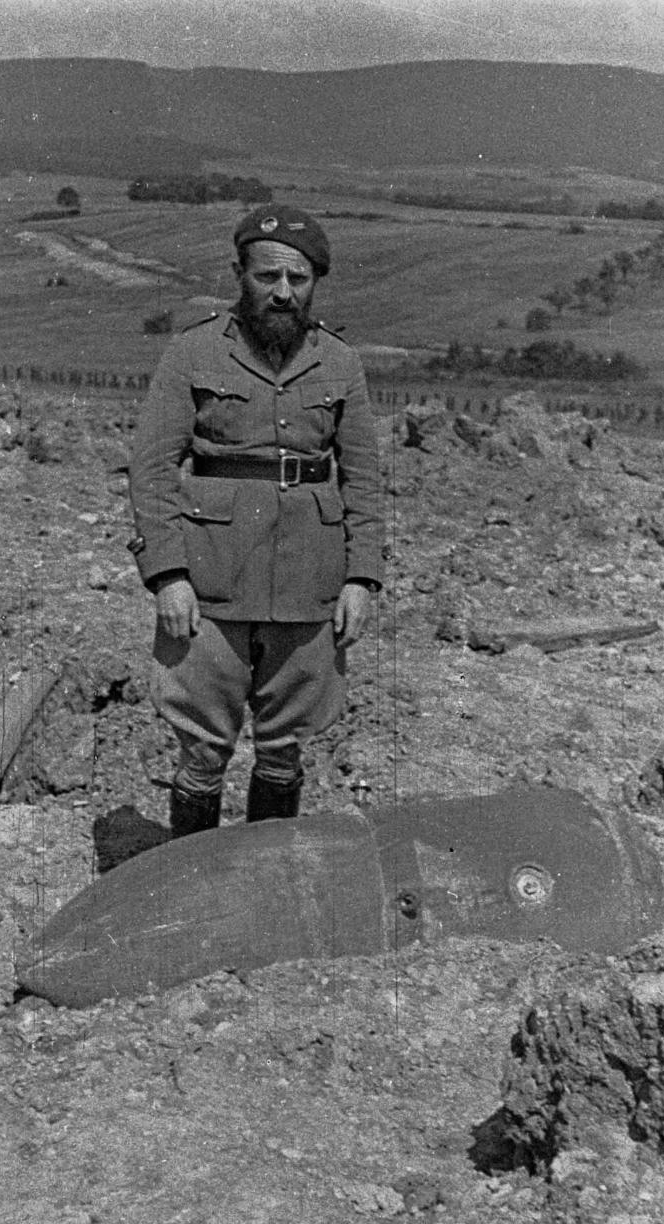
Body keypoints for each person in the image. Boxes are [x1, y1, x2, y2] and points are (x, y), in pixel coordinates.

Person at [127, 204, 384, 837]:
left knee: (286, 745)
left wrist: (361, 578)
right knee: (203, 747)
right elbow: (153, 470)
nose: (283, 293)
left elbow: (366, 480)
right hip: (209, 583)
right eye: (268, 277)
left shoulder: (340, 363)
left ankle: (268, 879)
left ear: (314, 284)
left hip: (309, 582)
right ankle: (191, 881)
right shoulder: (193, 354)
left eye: (298, 281)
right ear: (240, 273)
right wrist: (167, 574)